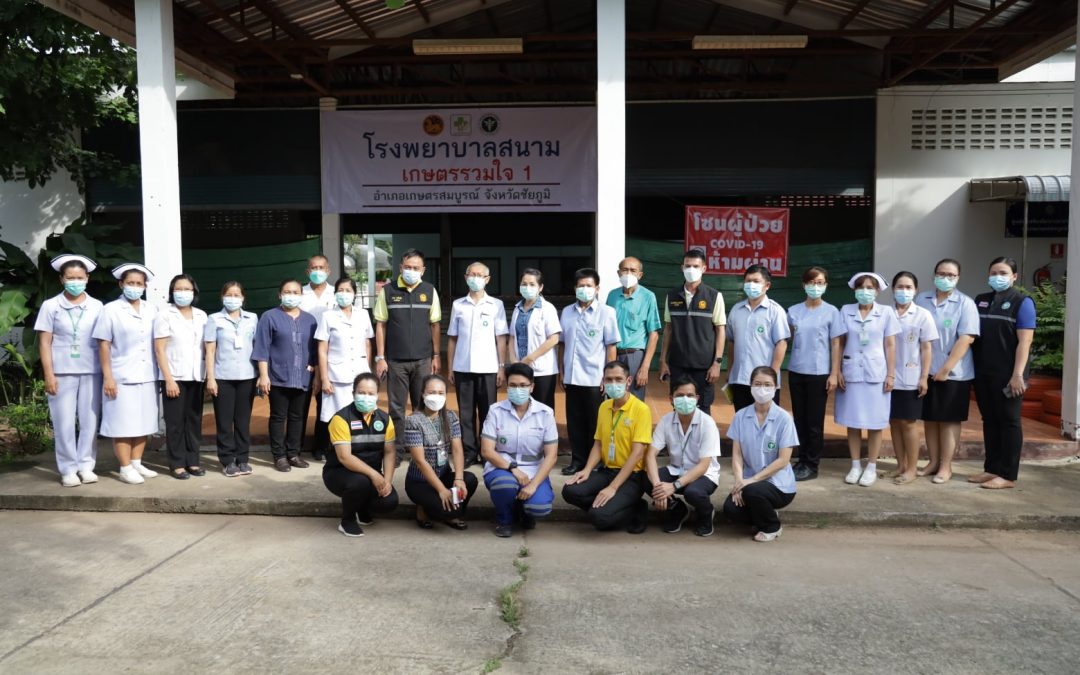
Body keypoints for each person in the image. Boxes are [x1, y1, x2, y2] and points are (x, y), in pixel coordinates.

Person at [35, 254, 104, 487]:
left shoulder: (96, 306)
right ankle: (67, 469)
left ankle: (86, 465)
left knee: (89, 421)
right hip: (61, 372)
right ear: (61, 279)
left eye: (80, 277)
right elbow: (44, 342)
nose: (76, 281)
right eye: (70, 277)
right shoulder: (51, 306)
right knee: (63, 422)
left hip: (92, 371)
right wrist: (49, 374)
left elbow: (104, 341)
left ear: (87, 278)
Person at [562, 361, 652, 534]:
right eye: (609, 379)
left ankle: (636, 508)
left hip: (631, 476)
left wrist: (613, 488)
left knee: (599, 518)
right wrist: (587, 470)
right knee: (570, 491)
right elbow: (598, 443)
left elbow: (637, 454)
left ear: (628, 380)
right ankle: (613, 505)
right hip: (607, 471)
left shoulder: (641, 409)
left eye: (618, 379)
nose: (613, 384)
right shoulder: (604, 406)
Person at [970, 257, 1036, 490]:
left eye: (1003, 272)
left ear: (1014, 277)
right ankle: (992, 469)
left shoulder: (1022, 302)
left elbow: (1025, 342)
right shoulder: (981, 300)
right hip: (983, 372)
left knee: (1009, 422)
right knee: (990, 420)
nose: (998, 276)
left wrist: (1018, 374)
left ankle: (1007, 475)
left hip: (1009, 375)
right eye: (994, 272)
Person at [92, 263, 161, 485]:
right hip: (121, 375)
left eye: (139, 284)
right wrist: (108, 376)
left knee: (144, 422)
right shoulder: (110, 310)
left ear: (145, 286)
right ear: (121, 284)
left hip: (147, 373)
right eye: (130, 283)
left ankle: (137, 462)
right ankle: (124, 467)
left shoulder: (152, 310)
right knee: (122, 423)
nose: (134, 287)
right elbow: (104, 345)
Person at [915, 258, 980, 483]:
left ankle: (946, 466)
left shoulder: (965, 303)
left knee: (949, 419)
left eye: (950, 275)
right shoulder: (922, 299)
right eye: (941, 274)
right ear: (934, 275)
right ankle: (932, 462)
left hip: (954, 372)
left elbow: (967, 338)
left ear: (958, 278)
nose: (945, 278)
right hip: (925, 369)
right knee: (930, 418)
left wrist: (945, 368)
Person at [480, 363, 559, 537]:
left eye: (523, 385)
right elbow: (487, 451)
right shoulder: (495, 411)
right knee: (505, 485)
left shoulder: (545, 413)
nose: (518, 389)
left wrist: (534, 484)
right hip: (502, 467)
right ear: (507, 386)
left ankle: (523, 510)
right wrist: (512, 468)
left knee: (540, 507)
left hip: (533, 469)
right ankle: (504, 520)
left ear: (532, 387)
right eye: (513, 385)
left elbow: (551, 456)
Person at [835, 272, 899, 488]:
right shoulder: (845, 311)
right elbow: (839, 343)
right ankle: (855, 465)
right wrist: (837, 371)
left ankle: (871, 466)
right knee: (852, 422)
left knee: (875, 423)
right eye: (861, 287)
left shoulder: (887, 313)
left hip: (876, 374)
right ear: (855, 290)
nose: (865, 291)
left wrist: (891, 374)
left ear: (878, 290)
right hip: (851, 372)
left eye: (870, 287)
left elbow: (890, 345)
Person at [723, 366, 798, 542]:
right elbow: (737, 456)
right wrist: (739, 481)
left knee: (752, 492)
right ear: (750, 386)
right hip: (749, 483)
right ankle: (765, 512)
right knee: (730, 509)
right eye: (757, 384)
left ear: (775, 387)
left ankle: (772, 527)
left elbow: (783, 460)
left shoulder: (784, 418)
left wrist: (750, 482)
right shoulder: (741, 416)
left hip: (779, 485)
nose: (762, 389)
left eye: (767, 384)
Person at [373, 249, 441, 437]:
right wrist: (380, 357)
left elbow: (435, 324)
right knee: (396, 408)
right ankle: (397, 449)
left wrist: (436, 356)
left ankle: (421, 447)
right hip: (396, 361)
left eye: (415, 268)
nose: (411, 270)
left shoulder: (429, 291)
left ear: (423, 270)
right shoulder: (387, 291)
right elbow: (381, 325)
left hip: (423, 360)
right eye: (408, 267)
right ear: (401, 267)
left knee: (422, 405)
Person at [558, 268, 620, 475]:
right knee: (574, 422)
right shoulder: (567, 312)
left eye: (589, 286)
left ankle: (597, 462)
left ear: (597, 289)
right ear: (575, 288)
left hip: (595, 378)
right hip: (572, 377)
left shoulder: (607, 313)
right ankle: (578, 460)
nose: (584, 289)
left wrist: (608, 377)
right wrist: (561, 370)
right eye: (581, 286)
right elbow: (562, 345)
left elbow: (611, 347)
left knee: (596, 422)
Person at [447, 262, 509, 467]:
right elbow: (452, 339)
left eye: (479, 275)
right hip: (463, 367)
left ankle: (487, 451)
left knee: (487, 413)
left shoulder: (496, 305)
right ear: (466, 277)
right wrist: (451, 367)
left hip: (488, 368)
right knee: (465, 414)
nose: (475, 278)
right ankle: (469, 453)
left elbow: (501, 338)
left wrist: (501, 366)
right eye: (471, 274)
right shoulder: (458, 305)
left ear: (487, 279)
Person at [252, 279, 318, 472]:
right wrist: (263, 375)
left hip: (303, 377)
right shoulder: (269, 317)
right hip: (278, 376)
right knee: (278, 417)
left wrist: (314, 369)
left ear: (301, 295)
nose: (291, 295)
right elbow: (262, 348)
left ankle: (294, 453)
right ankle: (279, 456)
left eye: (295, 292)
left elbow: (314, 349)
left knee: (298, 417)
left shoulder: (310, 320)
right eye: (287, 292)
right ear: (280, 294)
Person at [644, 375, 721, 537]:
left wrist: (672, 487)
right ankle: (678, 510)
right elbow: (651, 455)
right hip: (676, 470)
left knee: (693, 493)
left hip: (704, 475)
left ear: (697, 398)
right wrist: (658, 487)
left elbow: (704, 465)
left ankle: (706, 514)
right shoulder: (666, 421)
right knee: (645, 479)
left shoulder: (707, 423)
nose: (685, 399)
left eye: (690, 395)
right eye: (679, 396)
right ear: (671, 399)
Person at [324, 372, 399, 537]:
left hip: (369, 474)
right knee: (360, 482)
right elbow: (344, 457)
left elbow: (389, 452)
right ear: (353, 394)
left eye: (371, 393)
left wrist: (386, 481)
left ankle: (362, 509)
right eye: (362, 393)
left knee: (390, 501)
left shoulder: (385, 419)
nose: (366, 397)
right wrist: (374, 475)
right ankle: (347, 521)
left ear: (377, 396)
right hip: (339, 472)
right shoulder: (341, 419)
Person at [786, 266, 843, 482]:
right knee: (799, 418)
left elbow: (836, 344)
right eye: (811, 282)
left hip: (819, 373)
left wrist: (834, 373)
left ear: (826, 285)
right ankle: (801, 460)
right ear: (804, 284)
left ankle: (812, 463)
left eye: (820, 282)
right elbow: (786, 339)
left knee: (814, 421)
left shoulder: (831, 312)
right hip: (796, 370)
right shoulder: (793, 311)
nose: (815, 286)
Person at [403, 374, 477, 530]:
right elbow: (420, 461)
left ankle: (451, 512)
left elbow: (457, 449)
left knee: (469, 480)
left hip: (443, 475)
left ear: (445, 395)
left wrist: (458, 478)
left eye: (440, 393)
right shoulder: (413, 421)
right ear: (423, 394)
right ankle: (423, 507)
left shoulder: (450, 417)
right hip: (420, 481)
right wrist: (442, 490)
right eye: (431, 392)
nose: (436, 396)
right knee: (444, 511)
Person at [154, 273, 209, 480]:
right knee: (175, 422)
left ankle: (193, 461)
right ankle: (177, 463)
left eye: (187, 289)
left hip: (196, 375)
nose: (183, 293)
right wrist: (168, 379)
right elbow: (159, 349)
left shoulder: (202, 316)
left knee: (194, 420)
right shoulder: (164, 315)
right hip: (174, 376)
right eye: (178, 289)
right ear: (171, 292)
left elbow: (207, 347)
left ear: (194, 292)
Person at [659, 249, 726, 413]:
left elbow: (720, 330)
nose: (691, 270)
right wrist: (662, 361)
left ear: (704, 268)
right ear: (682, 267)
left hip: (704, 366)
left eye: (696, 266)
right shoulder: (672, 295)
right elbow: (668, 329)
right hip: (677, 364)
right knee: (679, 406)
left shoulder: (714, 296)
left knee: (703, 408)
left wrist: (717, 363)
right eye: (688, 266)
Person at [888, 272, 938, 485]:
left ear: (916, 290)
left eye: (908, 287)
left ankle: (911, 468)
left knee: (908, 423)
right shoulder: (886, 313)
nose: (904, 291)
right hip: (888, 376)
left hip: (911, 376)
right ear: (893, 289)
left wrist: (924, 377)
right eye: (900, 287)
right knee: (894, 422)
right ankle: (900, 465)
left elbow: (926, 348)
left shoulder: (923, 314)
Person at [204, 281, 258, 477]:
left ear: (243, 298)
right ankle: (227, 460)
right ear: (222, 297)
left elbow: (257, 347)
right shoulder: (214, 319)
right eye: (229, 295)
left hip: (247, 376)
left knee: (243, 421)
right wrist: (210, 378)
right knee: (224, 422)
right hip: (223, 377)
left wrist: (260, 375)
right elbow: (210, 351)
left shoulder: (252, 318)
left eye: (237, 295)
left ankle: (243, 459)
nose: (233, 299)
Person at [316, 277, 374, 446]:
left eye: (348, 290)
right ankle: (335, 449)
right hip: (336, 375)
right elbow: (322, 349)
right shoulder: (327, 316)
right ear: (335, 294)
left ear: (355, 294)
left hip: (359, 372)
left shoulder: (363, 314)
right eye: (340, 290)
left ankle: (357, 447)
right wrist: (324, 378)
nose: (344, 294)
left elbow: (368, 344)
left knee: (359, 412)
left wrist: (367, 371)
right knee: (336, 416)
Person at [725, 264, 790, 410]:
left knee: (766, 424)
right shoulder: (736, 310)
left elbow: (781, 343)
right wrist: (730, 370)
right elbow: (731, 341)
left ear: (767, 285)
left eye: (755, 281)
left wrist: (771, 376)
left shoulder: (775, 311)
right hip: (739, 379)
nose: (750, 285)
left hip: (764, 382)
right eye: (748, 281)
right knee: (742, 421)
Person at [605, 256, 661, 401]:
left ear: (640, 275)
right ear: (618, 273)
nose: (628, 274)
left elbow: (653, 334)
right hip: (612, 354)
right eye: (625, 270)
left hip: (635, 356)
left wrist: (645, 367)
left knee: (634, 399)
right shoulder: (612, 296)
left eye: (633, 270)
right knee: (612, 396)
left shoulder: (648, 297)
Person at [300, 254, 337, 462]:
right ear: (308, 271)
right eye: (313, 267)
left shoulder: (336, 293)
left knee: (326, 403)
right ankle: (294, 449)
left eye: (321, 267)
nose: (317, 271)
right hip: (304, 351)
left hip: (328, 353)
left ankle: (323, 446)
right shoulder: (300, 293)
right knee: (301, 403)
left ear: (328, 270)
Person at [508, 268, 561, 409]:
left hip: (542, 370)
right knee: (521, 406)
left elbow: (554, 339)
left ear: (540, 287)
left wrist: (529, 359)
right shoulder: (517, 308)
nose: (527, 287)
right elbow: (512, 337)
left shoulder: (547, 308)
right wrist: (514, 361)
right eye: (524, 284)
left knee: (542, 408)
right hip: (520, 368)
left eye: (532, 284)